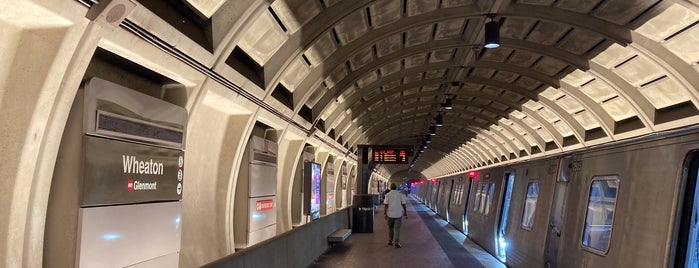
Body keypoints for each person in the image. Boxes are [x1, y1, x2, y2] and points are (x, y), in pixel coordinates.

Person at [383, 183, 407, 248]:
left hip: (390, 215)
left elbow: (386, 205)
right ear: (396, 187)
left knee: (390, 229)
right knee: (397, 229)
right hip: (398, 215)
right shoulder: (400, 195)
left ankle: (390, 241)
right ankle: (397, 243)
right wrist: (405, 212)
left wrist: (385, 213)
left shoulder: (387, 195)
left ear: (390, 188)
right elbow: (404, 204)